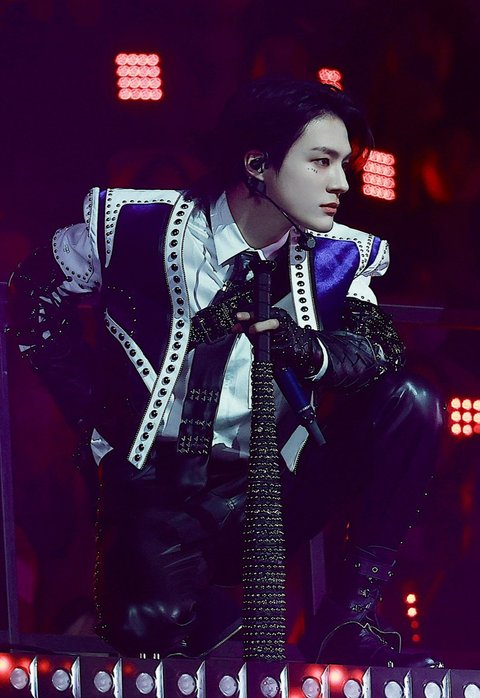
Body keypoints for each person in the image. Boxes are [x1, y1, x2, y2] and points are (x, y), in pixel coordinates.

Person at [9, 78, 444, 667]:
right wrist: (95, 408)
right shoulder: (137, 226)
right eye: (321, 162)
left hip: (276, 485)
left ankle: (349, 617)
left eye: (343, 164)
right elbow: (34, 292)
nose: (341, 183)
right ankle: (208, 619)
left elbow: (378, 350)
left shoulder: (339, 253)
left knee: (412, 400)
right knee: (149, 631)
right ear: (257, 165)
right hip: (160, 487)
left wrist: (305, 348)